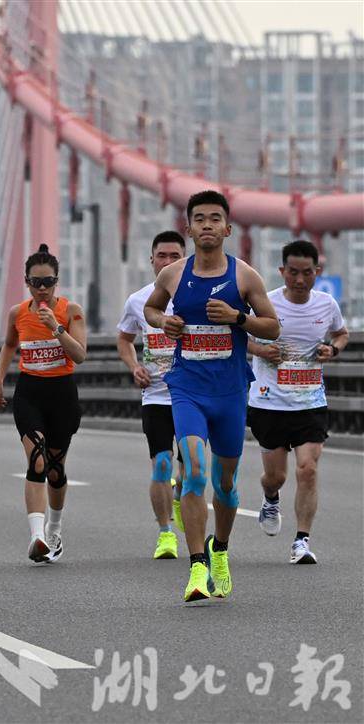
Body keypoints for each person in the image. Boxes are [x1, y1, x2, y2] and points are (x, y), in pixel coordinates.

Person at [143, 190, 280, 602]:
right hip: (187, 387)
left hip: (230, 392)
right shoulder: (173, 275)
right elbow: (151, 309)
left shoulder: (245, 277)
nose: (206, 225)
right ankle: (197, 567)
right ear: (189, 228)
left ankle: (220, 549)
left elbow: (273, 327)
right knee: (195, 472)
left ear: (227, 228)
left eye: (214, 218)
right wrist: (164, 322)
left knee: (225, 485)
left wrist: (239, 318)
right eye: (199, 218)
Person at [247, 240, 348, 565]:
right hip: (269, 402)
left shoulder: (326, 304)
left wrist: (332, 349)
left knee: (308, 469)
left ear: (317, 271)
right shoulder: (266, 303)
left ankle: (301, 542)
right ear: (282, 271)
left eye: (307, 273)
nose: (300, 280)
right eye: (293, 272)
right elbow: (240, 337)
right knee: (276, 477)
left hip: (310, 402)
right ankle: (270, 498)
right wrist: (261, 350)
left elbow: (342, 333)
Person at [0, 244, 88, 565]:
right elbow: (8, 345)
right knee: (38, 461)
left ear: (56, 282)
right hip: (29, 393)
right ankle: (36, 536)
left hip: (62, 395)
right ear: (27, 282)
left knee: (56, 470)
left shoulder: (71, 311)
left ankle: (53, 530)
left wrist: (56, 328)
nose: (42, 289)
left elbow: (80, 355)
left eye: (48, 282)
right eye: (36, 282)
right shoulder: (17, 313)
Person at [116, 231, 188, 560]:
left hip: (191, 396)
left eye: (175, 256)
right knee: (161, 463)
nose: (168, 262)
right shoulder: (138, 300)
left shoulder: (196, 298)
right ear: (152, 260)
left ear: (185, 260)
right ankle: (165, 534)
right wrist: (134, 367)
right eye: (162, 256)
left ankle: (180, 495)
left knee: (191, 468)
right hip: (156, 396)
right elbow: (124, 340)